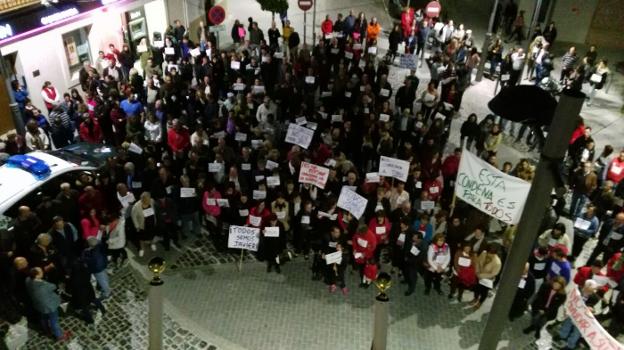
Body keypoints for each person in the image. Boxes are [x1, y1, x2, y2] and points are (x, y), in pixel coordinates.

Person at [25, 267, 71, 341]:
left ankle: (46, 330)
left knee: (43, 318)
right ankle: (59, 335)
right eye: (40, 272)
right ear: (37, 276)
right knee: (54, 321)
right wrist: (44, 282)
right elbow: (53, 286)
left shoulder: (27, 280)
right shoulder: (44, 286)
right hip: (50, 306)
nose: (42, 272)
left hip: (39, 305)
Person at [554, 280, 601, 349]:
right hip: (572, 313)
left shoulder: (596, 298)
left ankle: (570, 345)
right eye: (587, 289)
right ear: (584, 286)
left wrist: (592, 310)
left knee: (577, 333)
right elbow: (569, 298)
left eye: (591, 291)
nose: (588, 292)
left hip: (583, 319)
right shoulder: (577, 290)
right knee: (566, 325)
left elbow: (598, 311)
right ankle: (562, 336)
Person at [470, 244, 502, 309]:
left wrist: (481, 275)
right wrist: (477, 272)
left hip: (487, 279)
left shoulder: (497, 262)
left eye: (490, 254)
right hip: (478, 275)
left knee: (483, 292)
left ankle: (480, 302)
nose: (488, 255)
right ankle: (475, 298)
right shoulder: (484, 253)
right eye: (488, 252)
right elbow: (478, 262)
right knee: (476, 289)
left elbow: (493, 273)